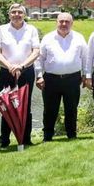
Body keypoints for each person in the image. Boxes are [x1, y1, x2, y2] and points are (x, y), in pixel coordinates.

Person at [0, 3, 40, 148]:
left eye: (20, 12)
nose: (17, 15)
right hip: (7, 72)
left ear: (24, 15)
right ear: (9, 15)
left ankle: (26, 139)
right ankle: (4, 141)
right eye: (14, 12)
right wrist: (10, 65)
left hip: (26, 72)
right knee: (6, 105)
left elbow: (36, 51)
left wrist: (22, 65)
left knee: (26, 106)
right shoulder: (1, 29)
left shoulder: (31, 30)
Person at [35, 12, 87, 141]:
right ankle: (47, 136)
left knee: (71, 108)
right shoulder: (47, 38)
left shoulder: (79, 38)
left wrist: (86, 75)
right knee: (50, 109)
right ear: (56, 22)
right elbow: (39, 59)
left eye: (67, 21)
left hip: (73, 79)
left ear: (72, 23)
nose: (64, 24)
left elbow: (85, 58)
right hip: (51, 79)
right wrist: (39, 76)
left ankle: (72, 135)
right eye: (61, 21)